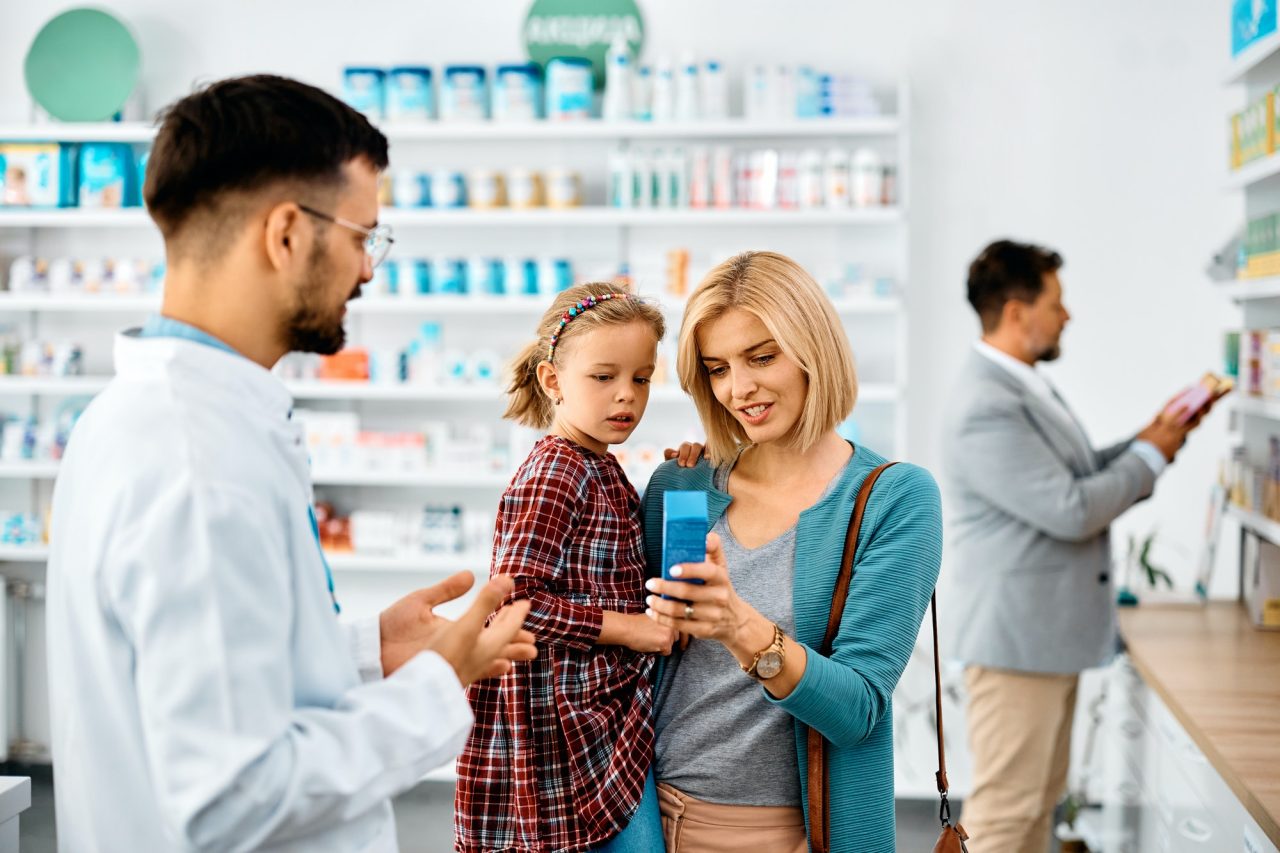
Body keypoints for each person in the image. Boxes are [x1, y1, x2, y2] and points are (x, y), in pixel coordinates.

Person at [44, 74, 536, 853]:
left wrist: (365, 648)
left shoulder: (134, 418)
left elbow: (200, 663)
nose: (368, 270)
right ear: (285, 234)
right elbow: (233, 796)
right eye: (361, 237)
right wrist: (435, 685)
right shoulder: (196, 463)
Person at [636, 251, 942, 853]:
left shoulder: (893, 498)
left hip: (792, 832)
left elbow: (857, 709)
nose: (738, 388)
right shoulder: (682, 485)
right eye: (717, 367)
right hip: (646, 820)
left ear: (813, 350)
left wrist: (739, 625)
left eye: (762, 357)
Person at [941, 239, 1219, 853]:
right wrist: (1151, 456)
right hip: (1016, 645)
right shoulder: (986, 404)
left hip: (1044, 640)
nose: (1067, 316)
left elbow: (1074, 473)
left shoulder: (1024, 385)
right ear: (1018, 311)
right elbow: (1070, 510)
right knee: (1004, 817)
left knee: (1036, 807)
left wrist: (1152, 438)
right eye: (1056, 303)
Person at [455, 282, 675, 853]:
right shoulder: (557, 471)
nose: (626, 396)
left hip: (592, 706)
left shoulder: (598, 463)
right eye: (603, 377)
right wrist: (629, 628)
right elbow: (514, 603)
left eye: (641, 378)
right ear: (553, 381)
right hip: (560, 720)